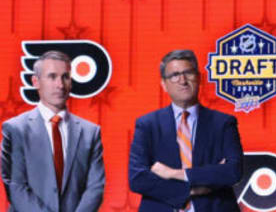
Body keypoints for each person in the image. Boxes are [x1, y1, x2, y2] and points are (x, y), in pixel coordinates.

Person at [128, 49, 243, 211]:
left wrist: (174, 173)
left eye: (188, 73)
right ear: (164, 84)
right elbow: (138, 179)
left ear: (199, 77)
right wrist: (192, 190)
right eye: (174, 75)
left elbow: (233, 171)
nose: (182, 80)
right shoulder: (147, 125)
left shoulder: (223, 123)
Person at [1, 50, 105, 212]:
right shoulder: (15, 129)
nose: (60, 85)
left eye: (65, 77)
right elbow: (15, 186)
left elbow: (95, 188)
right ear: (35, 81)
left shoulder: (90, 132)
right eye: (52, 76)